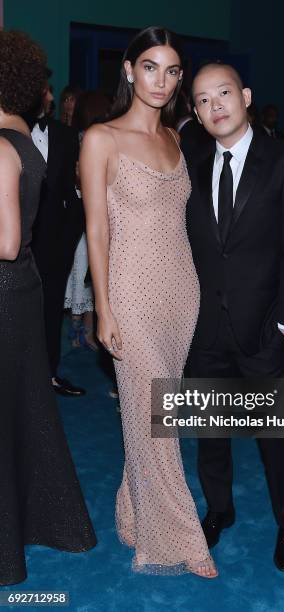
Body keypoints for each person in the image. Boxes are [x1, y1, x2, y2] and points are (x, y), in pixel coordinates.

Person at [80, 26, 217, 578]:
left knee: (152, 415)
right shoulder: (100, 138)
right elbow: (95, 231)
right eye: (151, 67)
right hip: (131, 296)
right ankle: (180, 539)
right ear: (129, 70)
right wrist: (105, 309)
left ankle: (134, 509)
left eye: (173, 70)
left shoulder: (177, 141)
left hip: (182, 295)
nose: (162, 80)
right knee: (158, 420)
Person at [187, 62, 284, 572]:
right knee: (210, 432)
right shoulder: (192, 163)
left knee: (274, 436)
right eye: (202, 99)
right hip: (204, 328)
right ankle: (219, 509)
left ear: (244, 96)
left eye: (223, 93)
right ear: (195, 114)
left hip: (264, 327)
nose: (214, 105)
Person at [0, 30, 96, 587]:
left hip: (5, 286)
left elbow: (7, 240)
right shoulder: (19, 138)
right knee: (27, 410)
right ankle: (51, 521)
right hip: (22, 290)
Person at [28, 72, 86, 396]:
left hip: (54, 248)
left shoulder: (65, 135)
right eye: (45, 90)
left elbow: (75, 194)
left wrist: (67, 244)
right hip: (14, 248)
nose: (50, 97)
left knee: (51, 315)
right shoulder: (7, 135)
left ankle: (50, 375)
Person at [64, 90, 111, 349]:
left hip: (87, 209)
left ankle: (83, 328)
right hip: (86, 209)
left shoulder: (91, 138)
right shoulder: (91, 138)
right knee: (87, 268)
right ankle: (83, 328)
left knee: (87, 269)